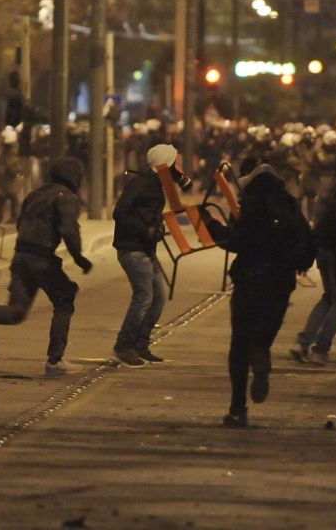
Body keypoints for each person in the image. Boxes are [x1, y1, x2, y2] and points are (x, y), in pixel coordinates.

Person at [200, 157, 316, 428]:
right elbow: (309, 242)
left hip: (249, 282)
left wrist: (210, 224)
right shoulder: (290, 205)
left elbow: (235, 241)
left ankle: (237, 408)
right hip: (280, 283)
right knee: (262, 341)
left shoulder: (249, 205)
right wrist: (298, 264)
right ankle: (261, 356)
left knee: (239, 345)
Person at [0, 157, 93, 377]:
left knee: (17, 311)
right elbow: (69, 230)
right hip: (41, 258)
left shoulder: (35, 194)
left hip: (21, 256)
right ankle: (55, 360)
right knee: (65, 298)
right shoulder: (66, 197)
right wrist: (79, 258)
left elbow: (20, 224)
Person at [111, 144, 183, 368]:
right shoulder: (142, 184)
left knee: (158, 297)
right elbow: (120, 212)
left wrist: (156, 228)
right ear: (166, 165)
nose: (180, 167)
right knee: (144, 297)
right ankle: (123, 346)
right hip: (133, 249)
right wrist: (147, 230)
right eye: (176, 163)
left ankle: (140, 344)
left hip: (145, 249)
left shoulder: (155, 185)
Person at [289, 148, 336, 365]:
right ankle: (321, 348)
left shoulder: (328, 188)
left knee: (329, 298)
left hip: (323, 250)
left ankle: (302, 342)